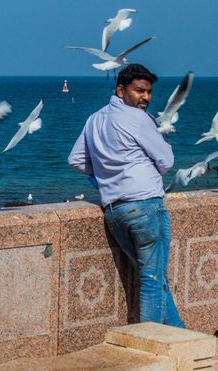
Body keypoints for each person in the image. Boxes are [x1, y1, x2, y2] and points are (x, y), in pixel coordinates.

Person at [67, 63, 185, 328]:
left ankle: (182, 337)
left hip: (115, 212)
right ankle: (150, 349)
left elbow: (75, 160)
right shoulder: (138, 118)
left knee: (155, 280)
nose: (146, 97)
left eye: (149, 92)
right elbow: (166, 161)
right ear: (121, 90)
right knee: (153, 283)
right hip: (145, 207)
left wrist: (105, 175)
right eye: (139, 91)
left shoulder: (94, 119)